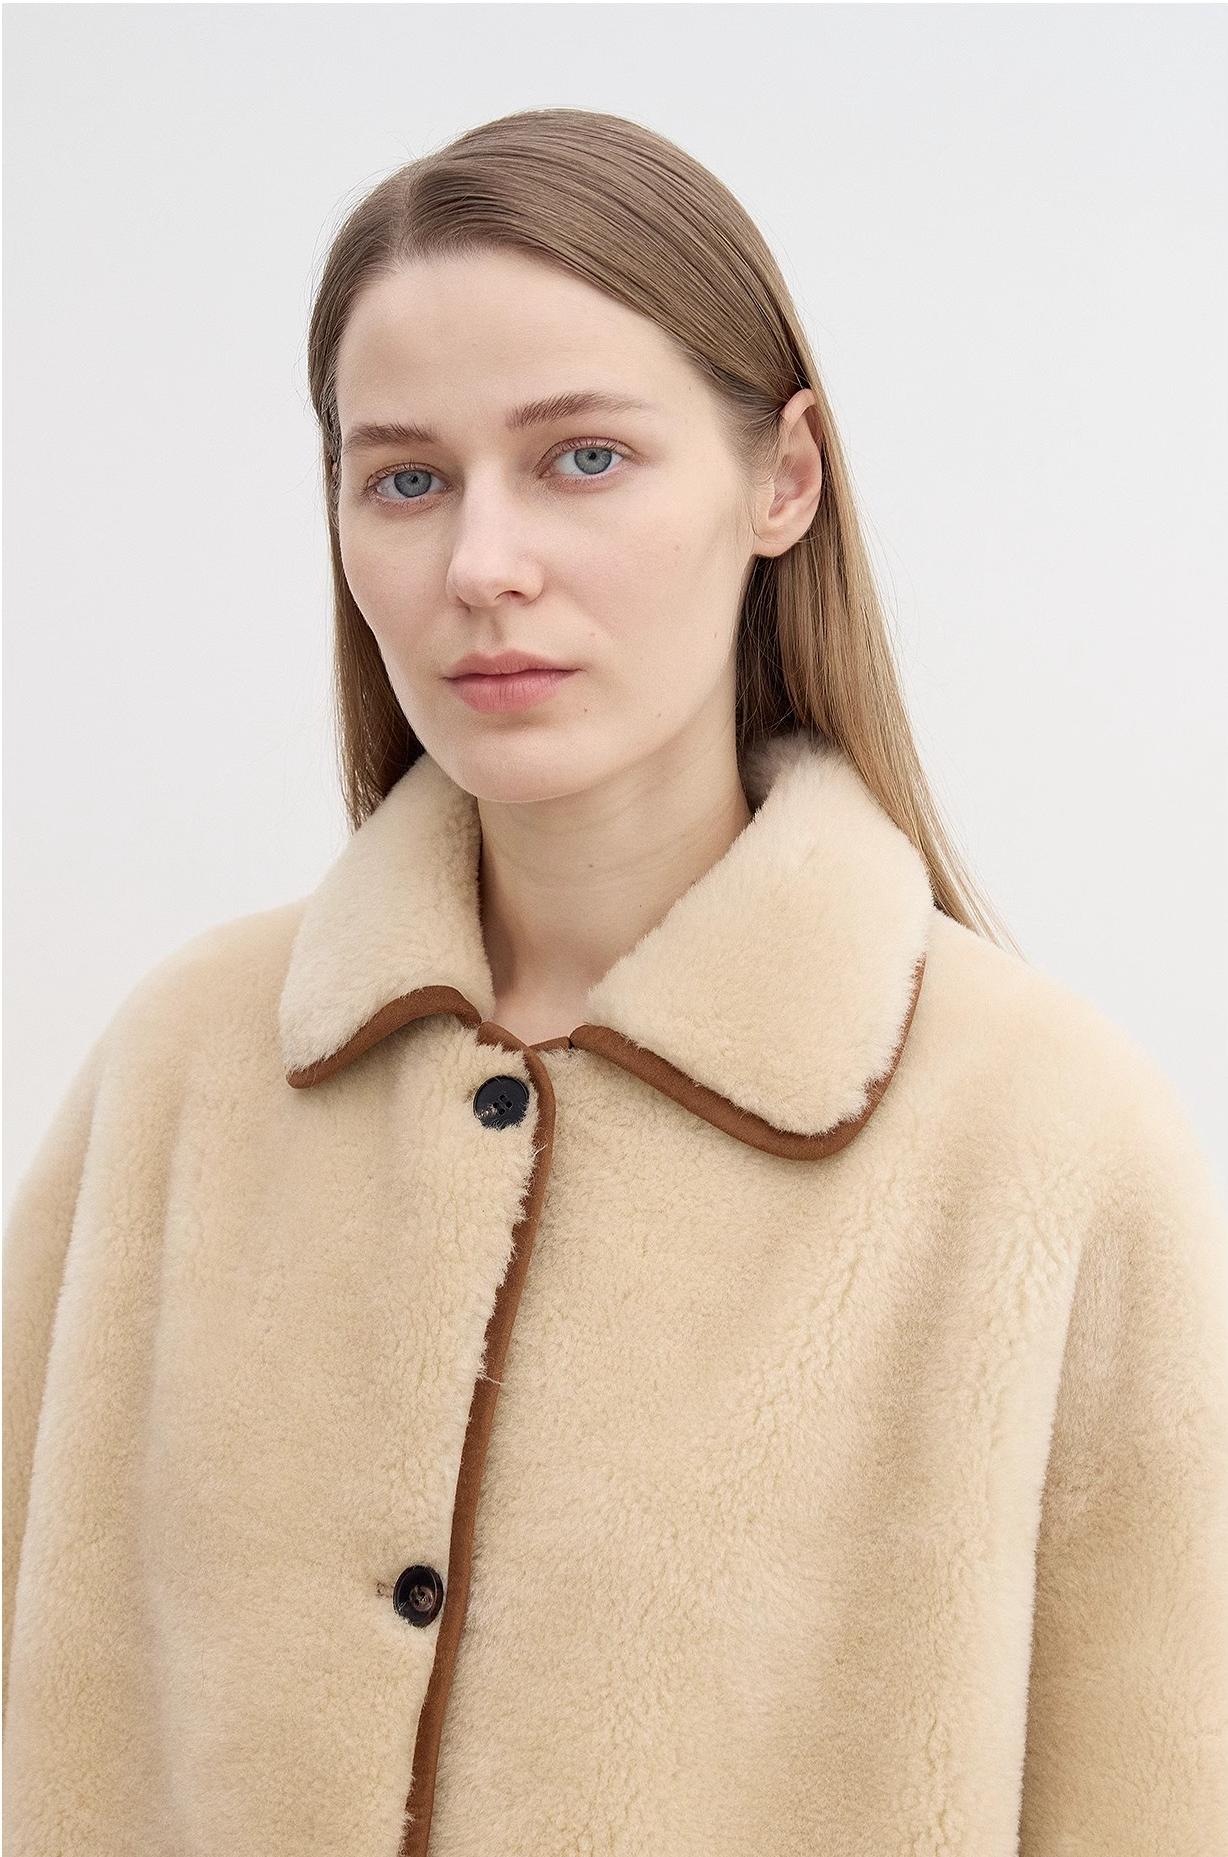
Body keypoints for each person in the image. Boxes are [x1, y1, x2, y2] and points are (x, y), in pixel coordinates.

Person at [4, 106, 1226, 1857]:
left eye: (583, 457)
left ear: (783, 478)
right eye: (405, 478)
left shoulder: (1044, 1138)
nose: (481, 564)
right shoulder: (182, 1076)